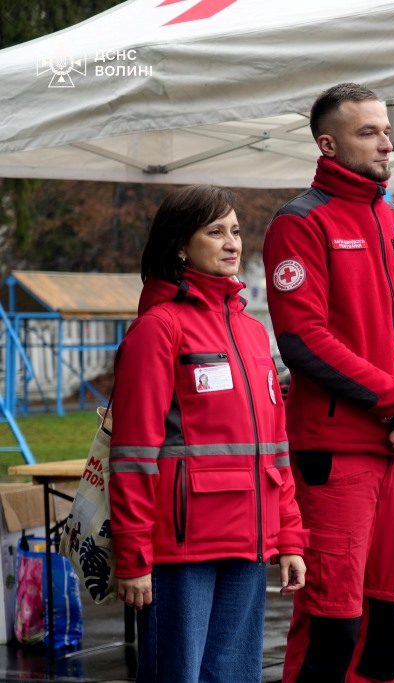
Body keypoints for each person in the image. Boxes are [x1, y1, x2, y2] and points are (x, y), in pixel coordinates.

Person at [263, 83, 394, 682]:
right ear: (328, 143)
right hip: (338, 452)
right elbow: (304, 339)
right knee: (332, 625)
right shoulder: (299, 223)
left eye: (386, 130)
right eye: (368, 131)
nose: (385, 141)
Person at [110, 185, 308, 682]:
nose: (232, 243)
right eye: (215, 231)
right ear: (180, 245)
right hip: (181, 547)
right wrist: (133, 556)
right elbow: (133, 453)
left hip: (249, 539)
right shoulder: (158, 328)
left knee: (235, 675)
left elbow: (277, 449)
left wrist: (289, 536)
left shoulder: (252, 332)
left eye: (237, 231)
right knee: (179, 675)